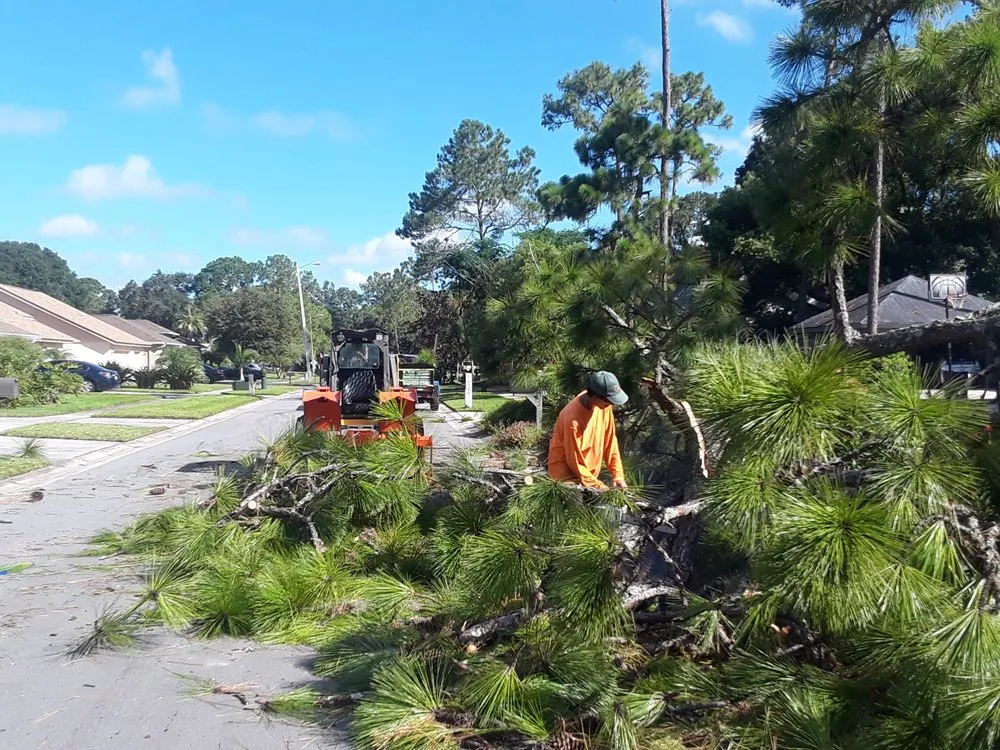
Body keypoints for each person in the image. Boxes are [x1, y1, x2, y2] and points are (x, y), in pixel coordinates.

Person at [547, 371, 628, 490]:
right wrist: (598, 486)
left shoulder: (604, 406)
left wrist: (618, 475)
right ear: (594, 396)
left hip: (587, 475)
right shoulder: (572, 419)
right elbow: (574, 461)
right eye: (609, 401)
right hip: (565, 478)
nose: (611, 404)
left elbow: (610, 442)